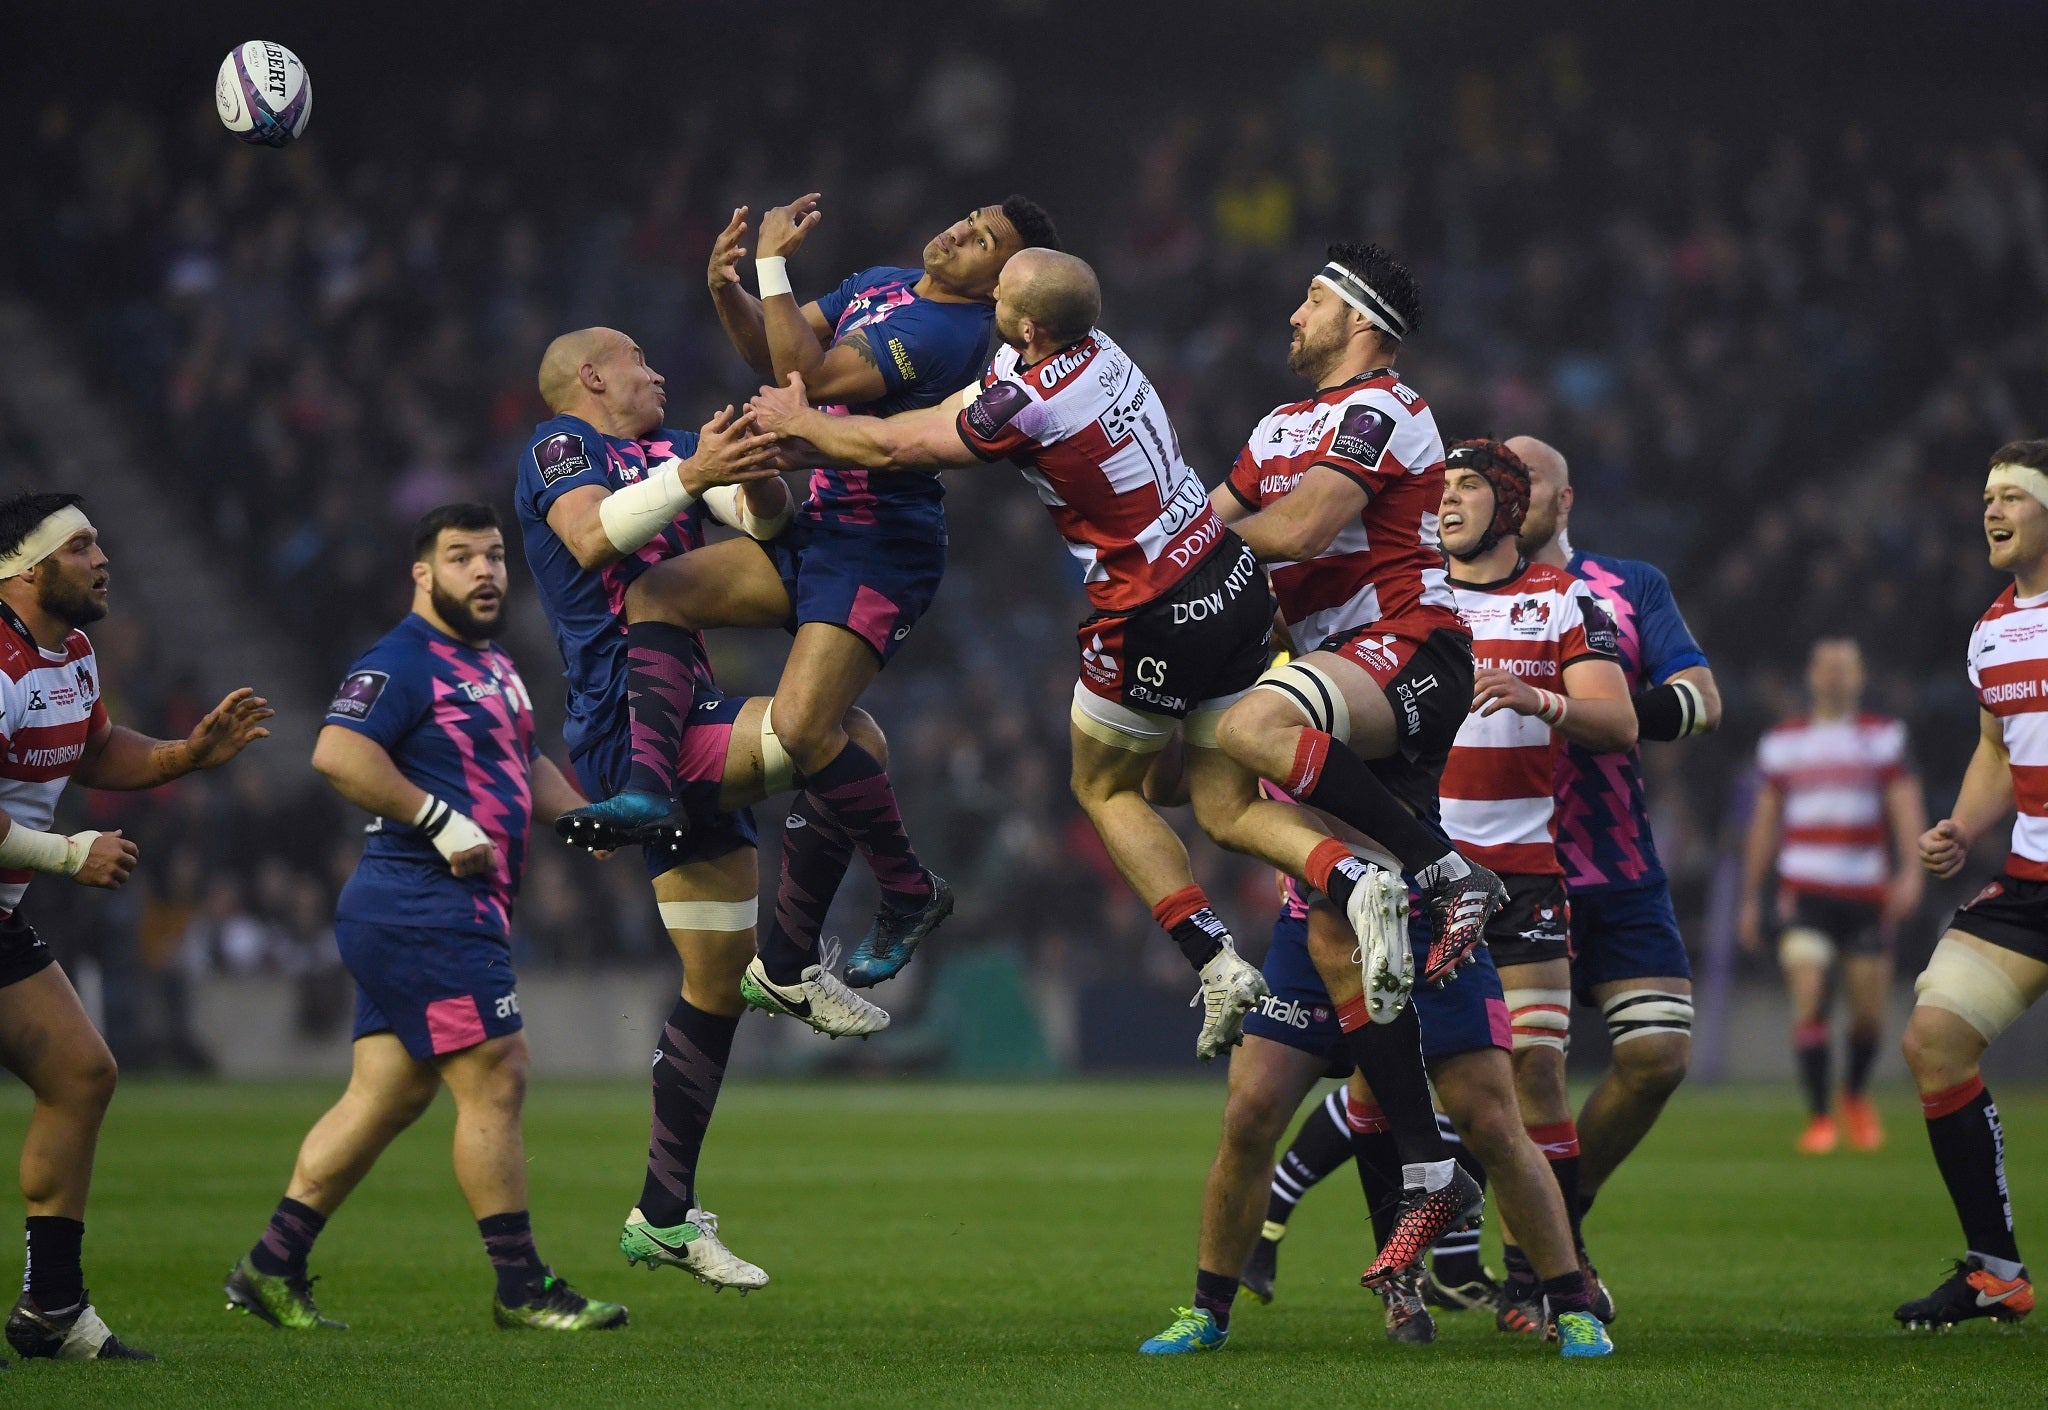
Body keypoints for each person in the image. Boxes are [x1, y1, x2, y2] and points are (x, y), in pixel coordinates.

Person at [743, 248, 1282, 1061]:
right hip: (1227, 574)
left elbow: (903, 449)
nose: (988, 292)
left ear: (1030, 324)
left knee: (1103, 788)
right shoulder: (1102, 351)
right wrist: (815, 439)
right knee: (1206, 796)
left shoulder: (1029, 400)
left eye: (1002, 289)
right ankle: (1360, 874)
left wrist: (800, 426)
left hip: (1150, 601)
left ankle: (1213, 959)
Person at [560, 194, 1058, 990]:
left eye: (983, 242)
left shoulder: (946, 333)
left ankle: (907, 888)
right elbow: (774, 351)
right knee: (659, 591)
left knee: (799, 725)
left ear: (999, 281)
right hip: (821, 525)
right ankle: (649, 792)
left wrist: (771, 266)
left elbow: (809, 374)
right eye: (970, 218)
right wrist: (730, 287)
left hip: (878, 550)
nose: (960, 231)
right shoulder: (891, 282)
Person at [514, 327, 895, 1289]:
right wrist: (693, 471)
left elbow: (762, 527)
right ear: (592, 377)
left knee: (711, 982)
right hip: (625, 722)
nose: (659, 369)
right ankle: (799, 964)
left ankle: (663, 1214)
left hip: (685, 710)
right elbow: (592, 536)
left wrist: (757, 473)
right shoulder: (562, 448)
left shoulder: (672, 450)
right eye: (642, 358)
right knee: (855, 741)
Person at [225, 504, 628, 1334]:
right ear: (423, 573)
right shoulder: (401, 661)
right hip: (422, 905)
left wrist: (588, 821)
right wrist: (440, 820)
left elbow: (525, 761)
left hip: (446, 908)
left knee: (385, 1095)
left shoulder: (493, 664)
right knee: (499, 1071)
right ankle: (521, 1286)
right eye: (460, 558)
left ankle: (270, 1265)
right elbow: (337, 752)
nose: (484, 572)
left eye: (493, 557)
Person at [0, 492, 271, 1365]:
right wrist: (66, 854)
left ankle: (51, 1309)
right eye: (81, 547)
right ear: (28, 570)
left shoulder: (71, 652)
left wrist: (185, 756)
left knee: (81, 1073)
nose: (102, 558)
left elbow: (97, 746)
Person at [1511, 434, 1720, 1309]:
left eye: (1528, 486)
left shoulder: (1628, 587)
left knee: (1659, 1057)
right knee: (1530, 1072)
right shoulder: (1446, 594)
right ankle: (1536, 1265)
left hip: (1619, 865)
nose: (1506, 496)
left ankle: (1561, 1213)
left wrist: (1600, 711)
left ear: (1565, 504)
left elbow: (1703, 699)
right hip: (1514, 871)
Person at [1894, 440, 2048, 1330]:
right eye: (1988, 497)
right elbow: (1998, 748)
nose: (1993, 511)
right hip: (2030, 884)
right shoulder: (1992, 628)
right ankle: (1997, 1270)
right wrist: (1962, 825)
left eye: (2015, 497)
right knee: (1934, 1042)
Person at [1739, 637, 1923, 1154]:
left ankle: (1855, 1096)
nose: (1836, 675)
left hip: (1866, 892)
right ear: (1812, 676)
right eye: (1827, 667)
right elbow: (1765, 822)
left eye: (1845, 667)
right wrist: (1752, 898)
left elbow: (1905, 804)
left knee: (1868, 1014)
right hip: (1806, 892)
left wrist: (1911, 871)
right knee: (1810, 994)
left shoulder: (1883, 737)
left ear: (1861, 676)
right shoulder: (1783, 742)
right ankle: (1820, 1117)